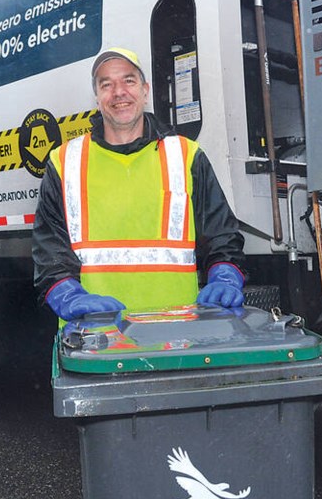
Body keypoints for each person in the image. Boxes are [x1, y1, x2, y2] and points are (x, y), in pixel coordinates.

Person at [32, 47, 246, 323]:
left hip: (177, 334)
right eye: (106, 84)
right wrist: (67, 295)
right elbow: (50, 248)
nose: (118, 92)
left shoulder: (186, 155)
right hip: (94, 338)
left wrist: (225, 275)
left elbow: (220, 234)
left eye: (128, 80)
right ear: (97, 98)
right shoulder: (65, 162)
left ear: (145, 91)